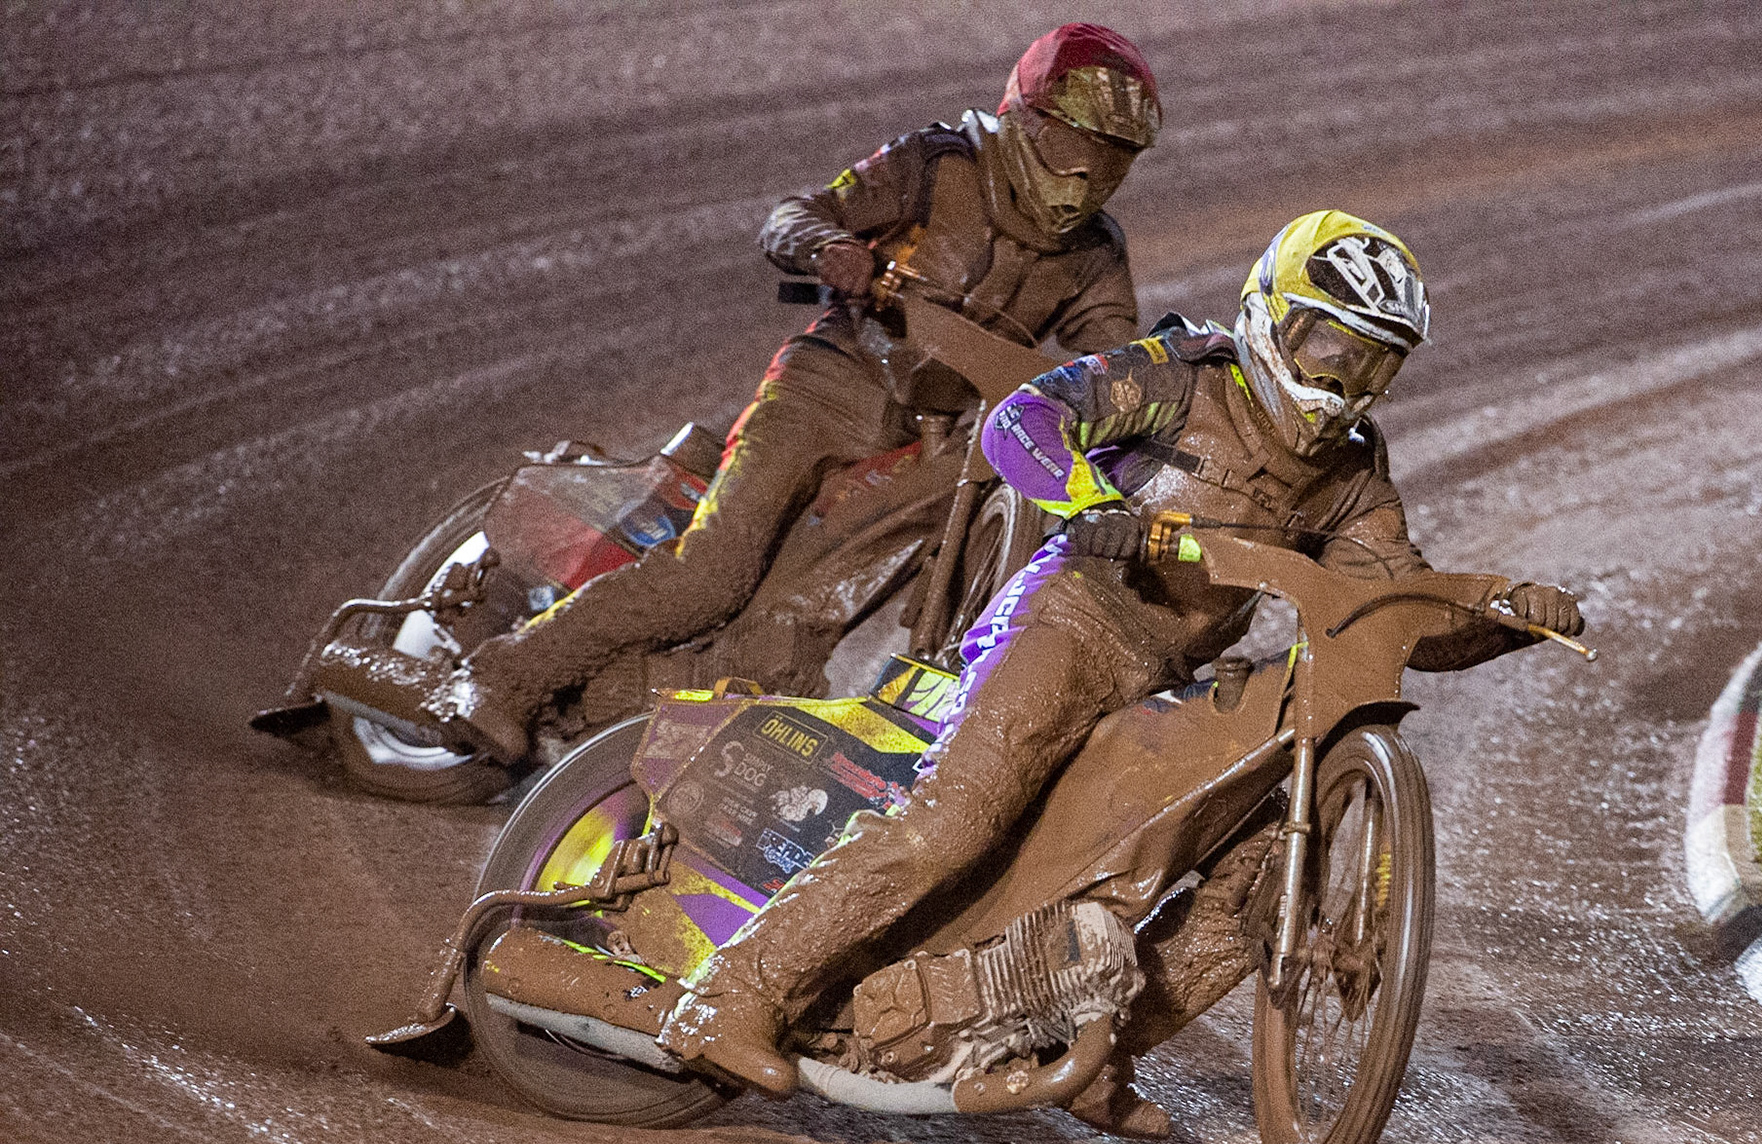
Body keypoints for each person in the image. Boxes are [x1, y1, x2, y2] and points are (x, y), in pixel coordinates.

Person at [647, 210, 1586, 1136]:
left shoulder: (1352, 472)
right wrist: (1090, 497)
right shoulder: (1183, 374)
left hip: (1161, 678)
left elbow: (1387, 607)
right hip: (1068, 621)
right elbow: (1024, 418)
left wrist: (1502, 624)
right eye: (1331, 349)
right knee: (952, 822)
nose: (1345, 384)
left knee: (1259, 872)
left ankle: (1097, 1056)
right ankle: (731, 992)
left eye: (1373, 364)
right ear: (1272, 314)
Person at [340, 24, 1162, 762]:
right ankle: (502, 676)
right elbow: (791, 216)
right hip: (829, 382)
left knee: (786, 642)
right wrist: (831, 248)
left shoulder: (1095, 254)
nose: (1084, 178)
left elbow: (1113, 357)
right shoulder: (937, 164)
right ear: (1023, 119)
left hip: (934, 444)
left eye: (1111, 162)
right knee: (712, 576)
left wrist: (1158, 390)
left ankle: (622, 714)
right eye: (1072, 146)